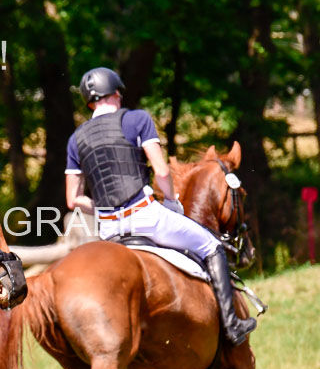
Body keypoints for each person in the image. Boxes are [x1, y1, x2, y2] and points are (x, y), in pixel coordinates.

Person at [65, 67, 256, 346]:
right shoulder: (136, 119)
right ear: (117, 93)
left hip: (107, 231)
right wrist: (170, 202)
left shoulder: (76, 139)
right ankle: (232, 325)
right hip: (145, 217)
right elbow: (162, 172)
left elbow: (73, 200)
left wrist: (104, 211)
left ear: (89, 102)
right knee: (212, 246)